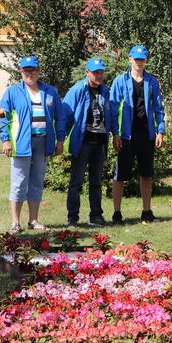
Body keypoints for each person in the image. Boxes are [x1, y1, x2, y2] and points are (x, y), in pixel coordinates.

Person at [0, 55, 62, 233]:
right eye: (26, 70)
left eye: (33, 70)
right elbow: (3, 117)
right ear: (20, 71)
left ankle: (33, 220)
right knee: (19, 181)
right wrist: (5, 140)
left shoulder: (50, 91)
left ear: (38, 71)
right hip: (21, 143)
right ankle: (15, 222)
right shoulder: (13, 92)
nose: (29, 74)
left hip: (43, 141)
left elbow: (60, 117)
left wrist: (60, 140)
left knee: (37, 181)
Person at [108, 46, 165, 225]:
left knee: (146, 174)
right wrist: (115, 133)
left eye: (142, 59)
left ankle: (147, 212)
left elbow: (158, 108)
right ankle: (117, 214)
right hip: (126, 135)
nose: (139, 62)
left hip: (146, 135)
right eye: (136, 59)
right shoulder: (120, 81)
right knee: (120, 175)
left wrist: (160, 131)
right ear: (130, 59)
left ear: (145, 61)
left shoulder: (152, 81)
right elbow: (112, 109)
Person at [58, 58, 115, 228]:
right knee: (76, 182)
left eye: (101, 72)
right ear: (87, 72)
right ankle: (72, 218)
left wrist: (116, 134)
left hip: (100, 143)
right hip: (83, 143)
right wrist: (61, 138)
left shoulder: (105, 91)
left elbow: (111, 115)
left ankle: (96, 216)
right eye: (96, 72)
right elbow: (66, 115)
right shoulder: (77, 90)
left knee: (96, 182)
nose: (99, 75)